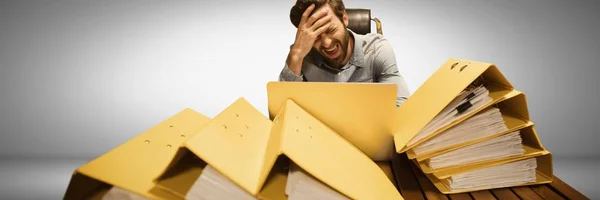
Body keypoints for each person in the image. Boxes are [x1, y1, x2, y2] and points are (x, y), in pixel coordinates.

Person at [279, 0, 410, 107]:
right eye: (316, 36)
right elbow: (283, 113)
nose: (326, 43)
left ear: (345, 19)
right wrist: (296, 55)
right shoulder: (301, 59)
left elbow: (401, 107)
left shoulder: (377, 50)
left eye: (331, 30)